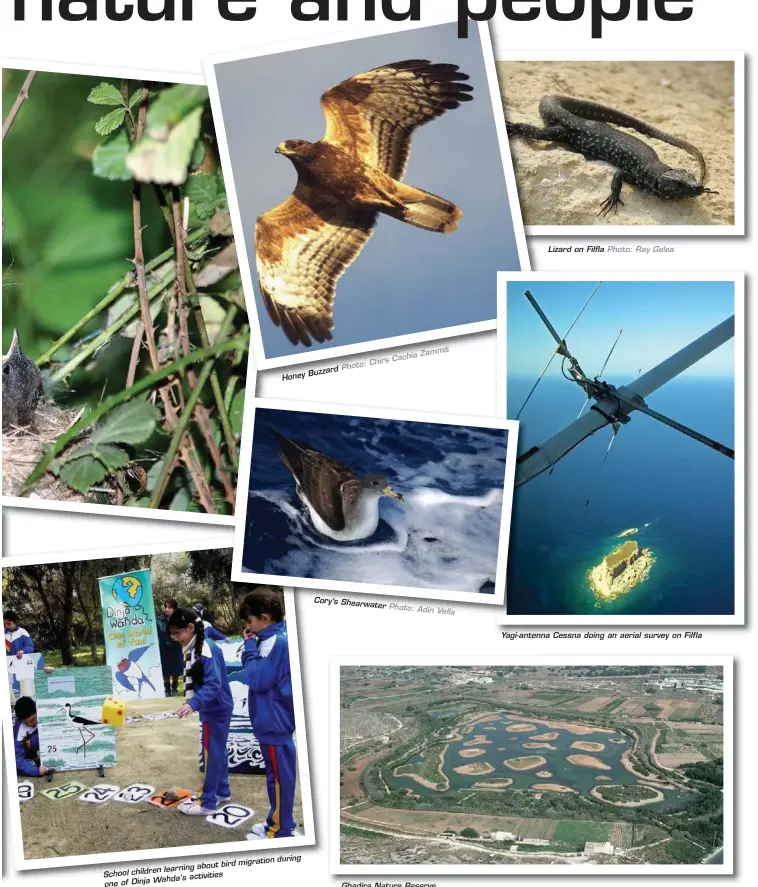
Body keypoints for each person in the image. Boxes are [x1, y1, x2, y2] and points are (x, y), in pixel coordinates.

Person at [238, 587, 297, 840]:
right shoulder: (270, 639)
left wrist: (249, 646)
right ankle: (277, 822)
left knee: (280, 782)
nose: (248, 627)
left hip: (275, 724)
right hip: (271, 724)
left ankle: (280, 831)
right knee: (276, 779)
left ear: (265, 618)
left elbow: (257, 679)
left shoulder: (276, 642)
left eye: (249, 621)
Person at [168, 608, 233, 815]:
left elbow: (214, 685)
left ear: (190, 628)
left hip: (216, 709)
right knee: (216, 752)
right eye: (173, 634)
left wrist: (192, 703)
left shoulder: (205, 649)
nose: (175, 638)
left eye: (177, 633)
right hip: (214, 707)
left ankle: (208, 803)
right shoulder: (195, 647)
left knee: (211, 755)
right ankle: (222, 791)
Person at [13, 697, 48, 777]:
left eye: (32, 720)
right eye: (26, 723)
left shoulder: (44, 711)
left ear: (37, 711)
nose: (30, 725)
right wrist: (36, 771)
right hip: (27, 753)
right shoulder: (19, 730)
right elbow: (17, 758)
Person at [156, 598, 184, 697]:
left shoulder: (180, 619)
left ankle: (175, 689)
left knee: (176, 669)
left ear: (175, 609)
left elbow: (184, 630)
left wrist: (178, 637)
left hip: (176, 647)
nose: (166, 609)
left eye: (169, 607)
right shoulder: (158, 620)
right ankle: (167, 690)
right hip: (163, 647)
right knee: (165, 670)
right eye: (166, 607)